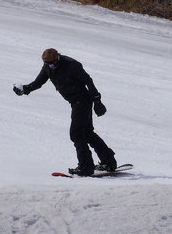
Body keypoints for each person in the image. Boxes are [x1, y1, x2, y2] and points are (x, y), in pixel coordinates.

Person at [13, 48, 117, 176]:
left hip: (82, 100)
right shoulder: (47, 66)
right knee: (87, 133)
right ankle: (109, 162)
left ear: (58, 57)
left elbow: (88, 81)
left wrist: (97, 101)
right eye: (49, 64)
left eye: (53, 63)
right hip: (75, 102)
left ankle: (86, 168)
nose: (52, 66)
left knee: (76, 134)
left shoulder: (71, 65)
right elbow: (38, 82)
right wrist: (25, 89)